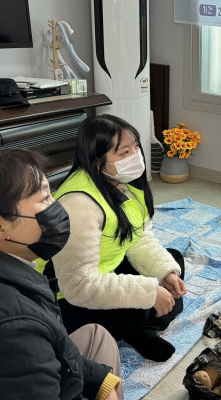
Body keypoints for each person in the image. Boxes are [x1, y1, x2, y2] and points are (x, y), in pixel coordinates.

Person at [0, 147, 123, 400]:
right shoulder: (10, 330)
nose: (57, 207)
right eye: (44, 199)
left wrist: (101, 380)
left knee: (97, 335)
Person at [42, 114, 187, 362]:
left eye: (135, 147)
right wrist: (148, 292)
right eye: (124, 152)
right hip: (67, 298)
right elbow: (78, 286)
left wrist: (164, 274)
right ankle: (138, 328)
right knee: (141, 307)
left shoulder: (123, 182)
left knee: (173, 263)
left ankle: (138, 329)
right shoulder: (78, 204)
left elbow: (138, 238)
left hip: (105, 268)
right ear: (98, 161)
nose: (135, 156)